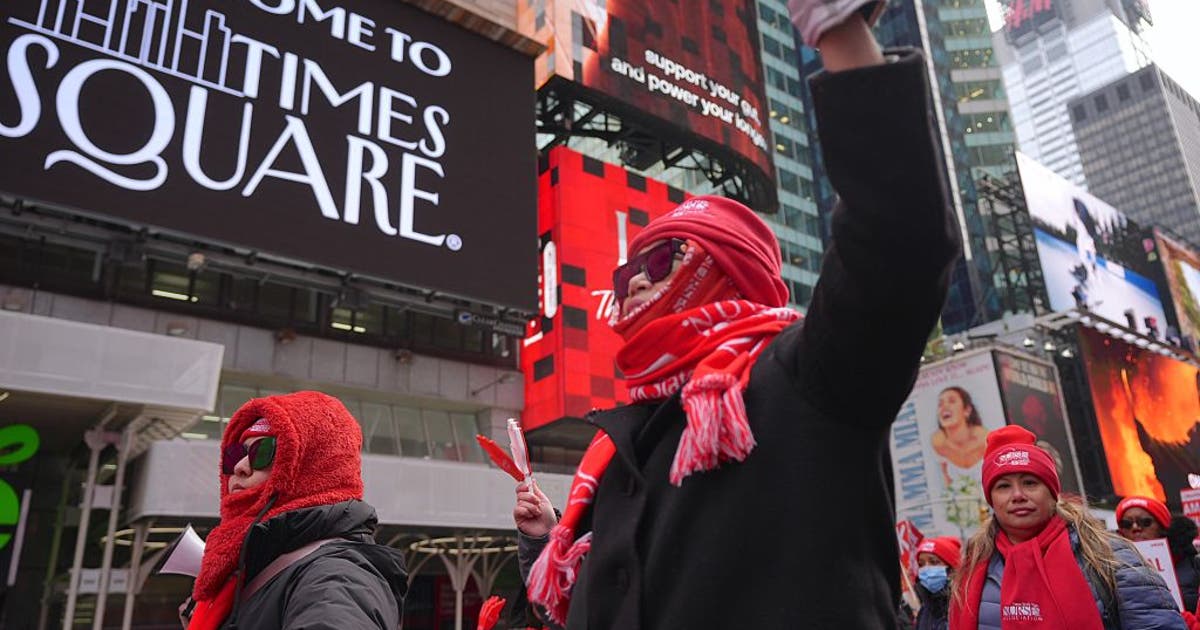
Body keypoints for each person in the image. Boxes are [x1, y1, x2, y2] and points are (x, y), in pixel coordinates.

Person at [512, 0, 962, 626]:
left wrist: (839, 31)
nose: (636, 280)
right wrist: (546, 540)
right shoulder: (623, 444)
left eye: (663, 256)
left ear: (726, 269)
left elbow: (898, 241)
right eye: (627, 269)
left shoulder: (809, 375)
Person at [182, 391, 407, 629]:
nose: (239, 467)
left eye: (262, 452)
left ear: (311, 467)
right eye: (235, 455)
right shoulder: (255, 571)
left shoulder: (336, 579)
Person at [949, 425, 1184, 629]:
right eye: (1003, 486)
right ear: (991, 499)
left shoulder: (1112, 559)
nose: (1018, 495)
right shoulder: (972, 572)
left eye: (1030, 483)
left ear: (1052, 493)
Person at [1116, 496, 1200, 613]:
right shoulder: (1112, 573)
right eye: (1127, 524)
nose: (1135, 528)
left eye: (1145, 522)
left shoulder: (1195, 566)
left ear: (1162, 527)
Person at [915, 536, 961, 630]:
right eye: (921, 564)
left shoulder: (963, 605)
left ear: (952, 569)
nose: (926, 568)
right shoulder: (925, 609)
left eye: (934, 562)